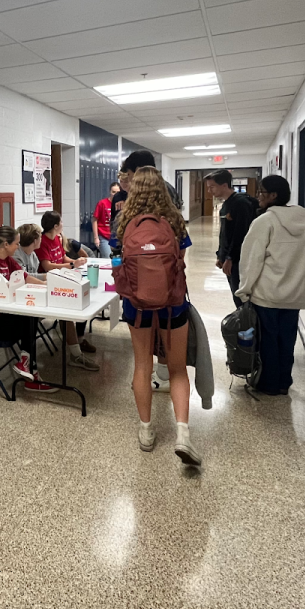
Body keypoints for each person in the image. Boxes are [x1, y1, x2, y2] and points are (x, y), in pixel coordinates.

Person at [116, 167, 200, 466]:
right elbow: (180, 263)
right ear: (163, 189)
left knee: (141, 365)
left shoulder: (123, 222)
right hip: (172, 305)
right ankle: (182, 434)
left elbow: (120, 262)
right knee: (176, 369)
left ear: (134, 189)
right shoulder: (175, 221)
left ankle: (147, 431)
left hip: (136, 307)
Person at [235, 175, 305, 396]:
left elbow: (251, 260)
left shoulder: (264, 222)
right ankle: (284, 381)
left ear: (273, 195)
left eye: (262, 192)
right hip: (295, 296)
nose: (258, 197)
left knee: (267, 340)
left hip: (268, 294)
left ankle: (269, 383)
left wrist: (244, 289)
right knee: (287, 340)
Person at [113, 150, 182, 392]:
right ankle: (162, 374)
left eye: (130, 176)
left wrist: (119, 275)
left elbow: (117, 250)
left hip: (137, 287)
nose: (127, 182)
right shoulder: (170, 205)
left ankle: (149, 381)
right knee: (167, 336)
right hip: (169, 284)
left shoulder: (127, 214)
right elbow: (180, 248)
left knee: (143, 354)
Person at [0, 226, 52, 391]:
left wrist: (43, 285)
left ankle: (27, 365)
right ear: (5, 244)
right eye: (16, 244)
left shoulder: (8, 260)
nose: (18, 247)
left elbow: (23, 276)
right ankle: (30, 372)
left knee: (30, 315)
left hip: (0, 314)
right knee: (28, 318)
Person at [37, 211, 98, 369]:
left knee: (84, 298)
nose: (63, 224)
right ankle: (76, 352)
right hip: (49, 282)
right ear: (55, 226)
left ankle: (78, 341)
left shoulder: (57, 238)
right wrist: (71, 265)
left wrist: (76, 261)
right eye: (61, 222)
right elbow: (47, 266)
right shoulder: (42, 242)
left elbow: (62, 257)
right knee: (69, 309)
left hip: (63, 277)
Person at [204, 170, 258, 308]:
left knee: (240, 295)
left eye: (212, 187)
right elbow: (225, 234)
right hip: (228, 258)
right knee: (235, 294)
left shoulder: (240, 203)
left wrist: (230, 258)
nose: (209, 191)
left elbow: (241, 234)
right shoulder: (225, 205)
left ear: (224, 185)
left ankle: (248, 325)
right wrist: (220, 255)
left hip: (239, 260)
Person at [92, 182, 120, 258]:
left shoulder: (120, 204)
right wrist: (96, 237)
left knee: (116, 258)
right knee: (107, 257)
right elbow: (94, 220)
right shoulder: (102, 203)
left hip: (115, 236)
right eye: (113, 192)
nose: (115, 194)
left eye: (117, 192)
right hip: (104, 235)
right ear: (110, 192)